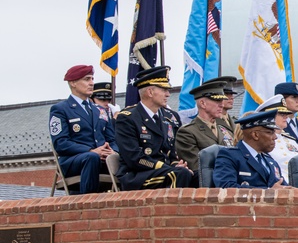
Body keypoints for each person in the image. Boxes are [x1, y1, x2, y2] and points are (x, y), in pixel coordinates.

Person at [115, 66, 194, 190]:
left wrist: (177, 164)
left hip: (164, 170)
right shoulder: (127, 118)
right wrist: (167, 168)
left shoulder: (171, 117)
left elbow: (172, 152)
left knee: (197, 175)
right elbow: (134, 158)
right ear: (150, 92)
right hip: (138, 174)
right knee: (178, 175)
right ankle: (173, 210)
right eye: (164, 89)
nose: (168, 94)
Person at [49, 64, 118, 194]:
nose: (92, 83)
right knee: (91, 157)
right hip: (74, 160)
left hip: (102, 158)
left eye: (92, 79)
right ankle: (87, 203)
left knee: (127, 158)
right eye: (87, 79)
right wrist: (92, 150)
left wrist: (113, 152)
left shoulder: (100, 110)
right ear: (73, 83)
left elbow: (112, 139)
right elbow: (61, 143)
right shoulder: (61, 109)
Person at [213, 110, 288, 188]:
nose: (275, 137)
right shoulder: (230, 156)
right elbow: (226, 187)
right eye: (270, 132)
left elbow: (281, 186)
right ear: (255, 135)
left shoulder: (270, 161)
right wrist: (268, 192)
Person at [174, 83, 235, 176]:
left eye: (222, 100)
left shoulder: (224, 130)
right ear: (202, 103)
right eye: (217, 100)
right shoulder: (187, 132)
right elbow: (197, 168)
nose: (222, 105)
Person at [255, 94, 298, 178]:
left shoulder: (291, 141)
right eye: (281, 114)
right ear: (268, 117)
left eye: (286, 114)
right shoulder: (260, 141)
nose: (286, 117)